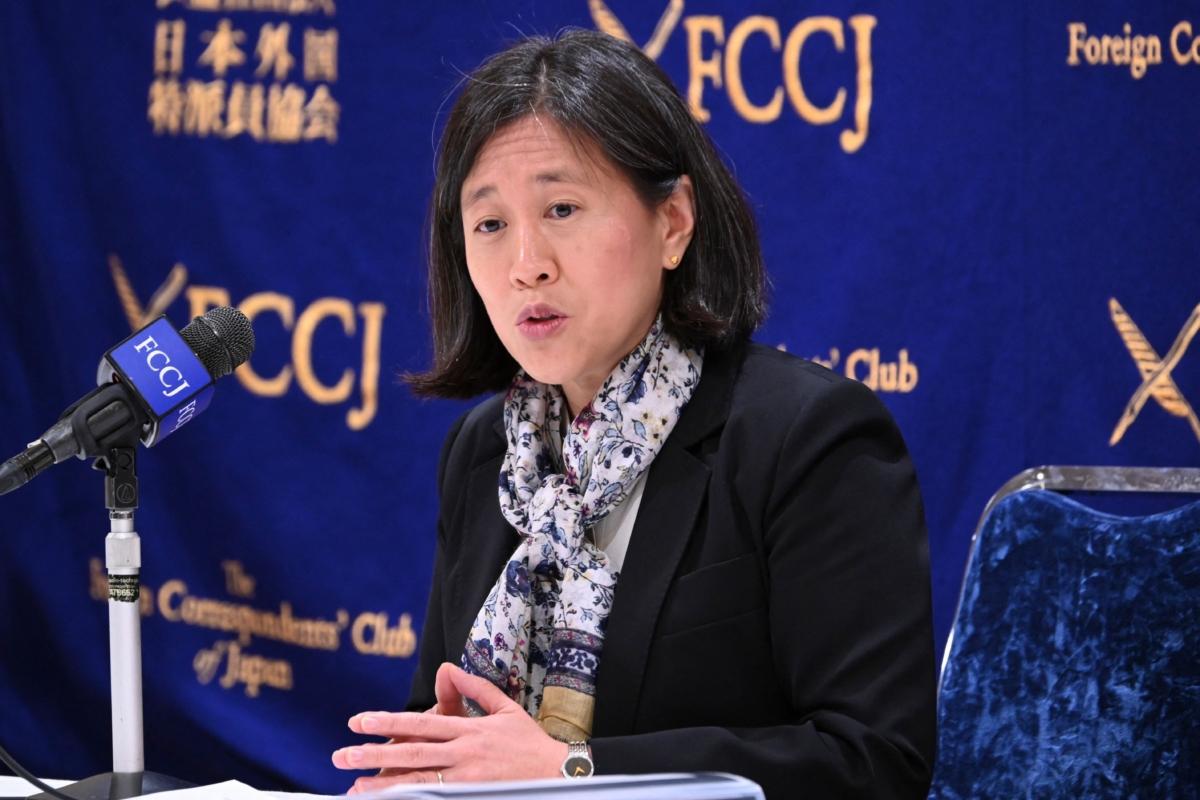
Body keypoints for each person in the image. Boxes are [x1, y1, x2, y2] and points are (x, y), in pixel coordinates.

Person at [332, 29, 936, 798]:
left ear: (674, 223)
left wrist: (575, 773)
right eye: (490, 224)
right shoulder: (485, 451)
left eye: (561, 207)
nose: (527, 265)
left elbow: (875, 763)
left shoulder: (806, 438)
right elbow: (448, 727)